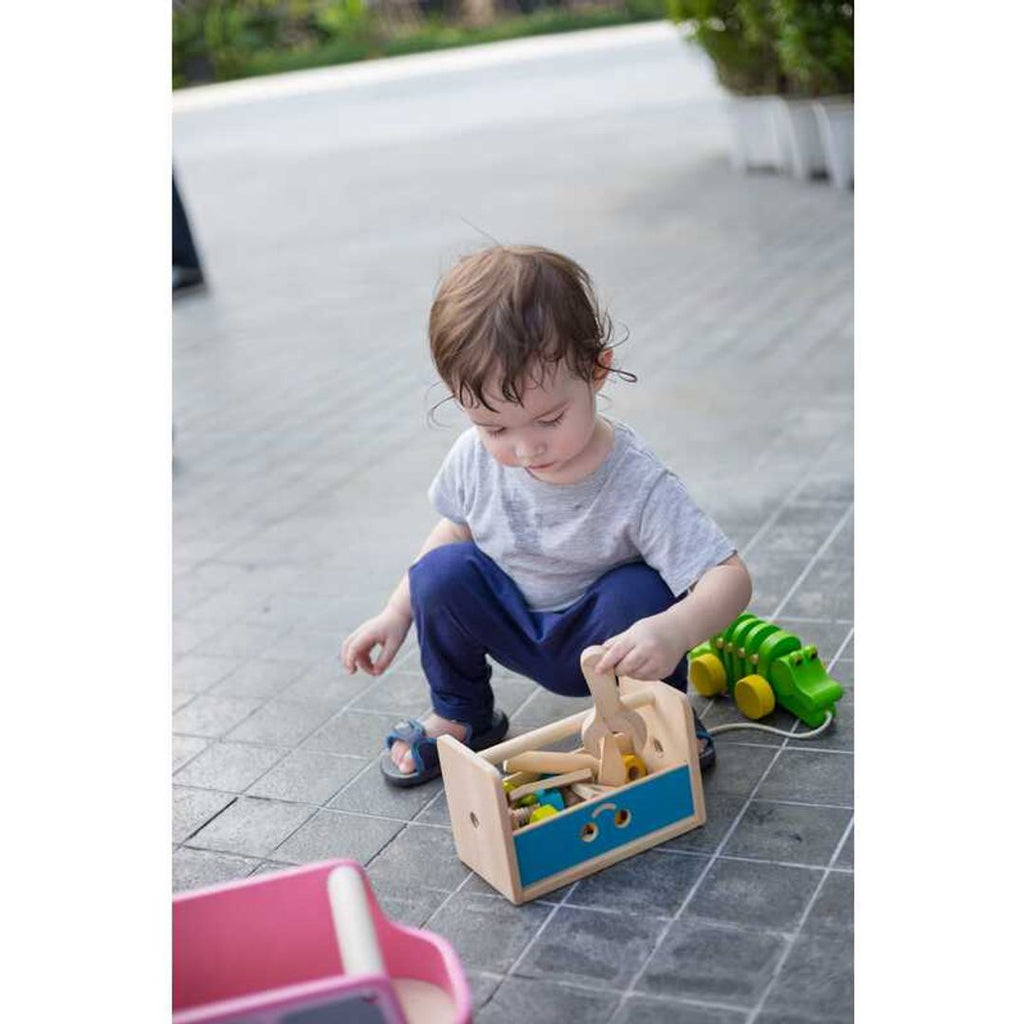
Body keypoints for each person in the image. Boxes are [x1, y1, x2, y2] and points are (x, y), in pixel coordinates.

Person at [341, 245, 752, 787]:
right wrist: (397, 613)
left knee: (641, 591)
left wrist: (673, 631)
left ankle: (656, 715)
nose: (526, 448)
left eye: (549, 419)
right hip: (517, 622)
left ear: (597, 370)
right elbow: (453, 531)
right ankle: (462, 714)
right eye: (495, 428)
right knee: (439, 574)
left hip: (609, 644)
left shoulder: (636, 480)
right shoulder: (471, 458)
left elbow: (730, 578)